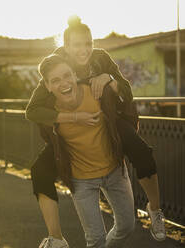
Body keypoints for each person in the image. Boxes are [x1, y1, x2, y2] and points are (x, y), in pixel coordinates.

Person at [26, 16, 166, 245]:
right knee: (40, 170)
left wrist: (109, 78)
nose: (84, 50)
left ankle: (156, 209)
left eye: (88, 44)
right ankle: (55, 238)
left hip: (108, 120)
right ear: (65, 47)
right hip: (70, 135)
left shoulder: (100, 58)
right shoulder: (58, 67)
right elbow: (32, 110)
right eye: (77, 45)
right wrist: (71, 117)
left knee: (141, 151)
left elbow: (126, 92)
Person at [34, 54, 135, 248]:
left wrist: (109, 77)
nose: (64, 83)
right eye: (55, 80)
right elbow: (35, 119)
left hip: (115, 171)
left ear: (75, 74)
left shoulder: (97, 93)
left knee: (127, 226)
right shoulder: (48, 113)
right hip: (81, 180)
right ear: (47, 86)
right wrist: (73, 118)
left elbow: (126, 100)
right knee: (96, 240)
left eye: (67, 75)